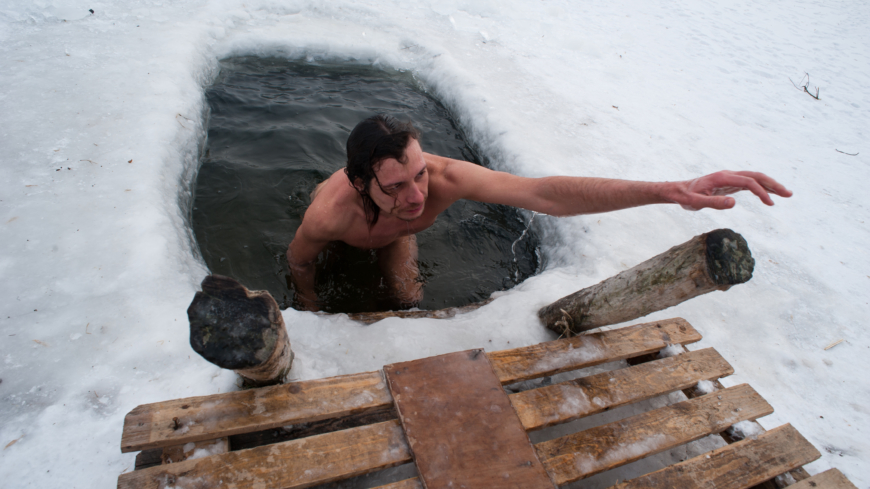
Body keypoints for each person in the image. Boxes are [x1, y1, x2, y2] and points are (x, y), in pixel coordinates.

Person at [286, 114, 792, 311]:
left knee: (408, 303)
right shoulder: (331, 215)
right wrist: (310, 310)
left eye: (419, 173)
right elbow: (299, 263)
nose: (417, 195)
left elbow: (544, 194)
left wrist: (668, 190)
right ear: (360, 183)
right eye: (396, 186)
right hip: (344, 241)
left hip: (394, 238)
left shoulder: (442, 180)